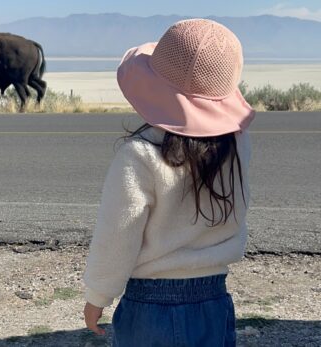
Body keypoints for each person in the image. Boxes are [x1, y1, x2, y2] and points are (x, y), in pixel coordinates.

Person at [83, 18, 255, 346]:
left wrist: (98, 295)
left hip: (150, 306)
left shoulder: (141, 155)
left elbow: (117, 235)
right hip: (214, 299)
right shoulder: (238, 143)